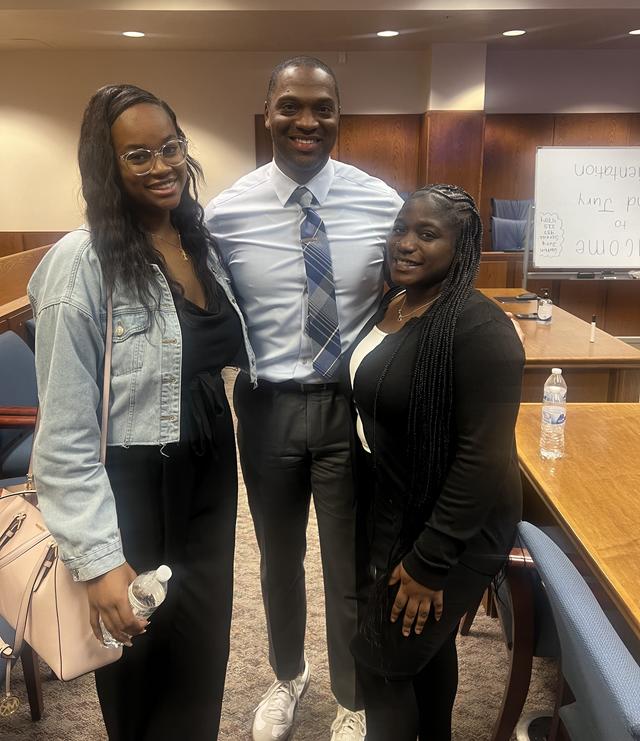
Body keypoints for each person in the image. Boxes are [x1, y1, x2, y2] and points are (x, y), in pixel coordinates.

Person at [28, 84, 256, 741]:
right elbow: (66, 431)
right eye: (137, 154)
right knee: (137, 657)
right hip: (130, 485)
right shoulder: (81, 264)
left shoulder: (201, 244)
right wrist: (98, 558)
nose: (162, 165)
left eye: (171, 147)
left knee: (202, 648)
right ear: (108, 167)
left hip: (211, 467)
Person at [205, 56, 403, 741]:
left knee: (350, 563)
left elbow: (410, 299)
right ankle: (288, 674)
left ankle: (353, 694)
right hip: (264, 408)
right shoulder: (226, 214)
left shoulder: (382, 204)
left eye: (323, 107)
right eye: (291, 105)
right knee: (277, 557)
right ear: (268, 113)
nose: (307, 121)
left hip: (352, 407)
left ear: (339, 116)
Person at [347, 184, 525, 741]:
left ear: (464, 246)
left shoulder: (480, 329)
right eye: (401, 229)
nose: (406, 243)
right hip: (403, 505)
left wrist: (431, 563)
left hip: (456, 529)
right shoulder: (399, 301)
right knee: (422, 649)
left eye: (427, 234)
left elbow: (483, 456)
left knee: (383, 662)